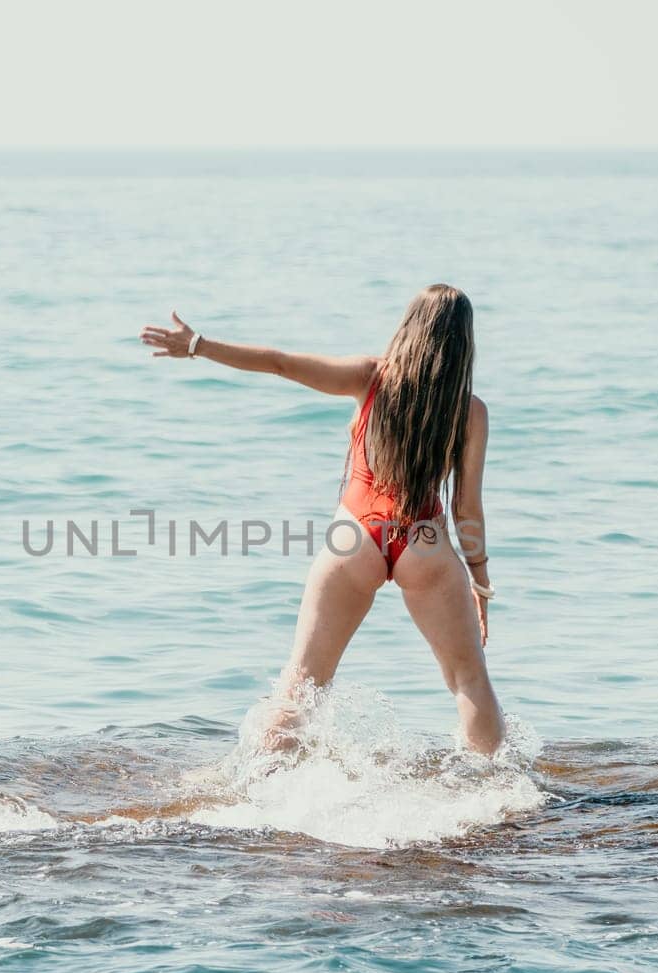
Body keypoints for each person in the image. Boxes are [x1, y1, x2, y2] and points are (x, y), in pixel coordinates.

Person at [139, 284, 504, 754]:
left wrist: (198, 346)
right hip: (426, 543)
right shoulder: (470, 411)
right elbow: (466, 509)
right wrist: (480, 583)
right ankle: (497, 790)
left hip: (355, 538)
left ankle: (263, 783)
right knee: (468, 680)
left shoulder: (371, 377)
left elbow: (281, 363)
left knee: (304, 681)